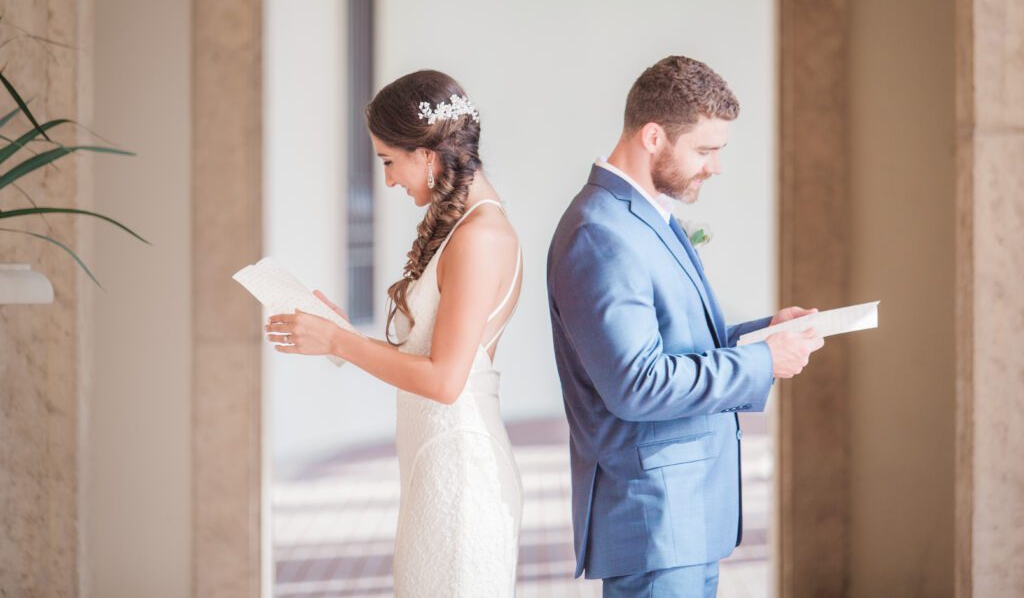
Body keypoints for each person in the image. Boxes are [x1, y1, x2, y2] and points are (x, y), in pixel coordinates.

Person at [546, 55, 825, 597]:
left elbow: (678, 344)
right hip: (653, 518)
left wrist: (764, 333)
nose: (714, 167)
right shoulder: (600, 232)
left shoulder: (646, 216)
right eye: (705, 150)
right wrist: (764, 363)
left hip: (684, 517)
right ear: (654, 136)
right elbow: (637, 385)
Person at [266, 70, 523, 596]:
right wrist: (336, 330)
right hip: (436, 470)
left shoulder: (479, 237)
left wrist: (339, 342)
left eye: (388, 161)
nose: (386, 180)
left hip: (462, 479)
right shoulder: (462, 228)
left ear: (427, 154)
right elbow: (432, 358)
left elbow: (445, 380)